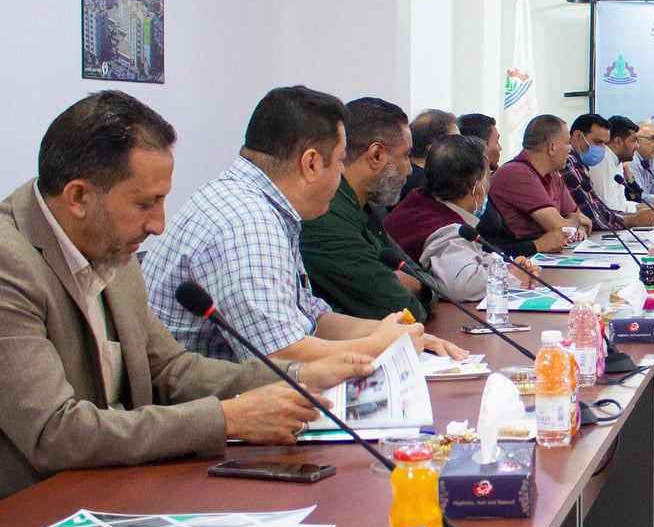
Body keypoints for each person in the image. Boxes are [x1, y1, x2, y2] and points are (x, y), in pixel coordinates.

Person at [0, 92, 373, 498]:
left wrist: (298, 377)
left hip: (114, 485)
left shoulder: (111, 247)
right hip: (22, 516)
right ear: (78, 197)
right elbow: (55, 433)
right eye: (145, 203)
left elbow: (170, 369)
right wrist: (227, 418)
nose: (159, 225)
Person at [143, 86, 462, 364]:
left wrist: (389, 331)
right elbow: (279, 357)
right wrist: (376, 346)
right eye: (339, 161)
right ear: (310, 164)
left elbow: (309, 316)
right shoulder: (247, 223)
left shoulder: (266, 206)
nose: (341, 174)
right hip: (208, 416)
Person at [298, 97, 430, 322]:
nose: (409, 171)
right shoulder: (326, 215)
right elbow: (404, 310)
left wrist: (415, 284)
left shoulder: (366, 209)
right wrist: (412, 286)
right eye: (406, 156)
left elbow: (427, 280)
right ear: (376, 155)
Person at [388, 134, 540, 302]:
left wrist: (505, 266)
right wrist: (512, 277)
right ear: (476, 189)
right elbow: (462, 285)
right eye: (487, 176)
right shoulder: (445, 230)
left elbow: (467, 259)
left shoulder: (421, 200)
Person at [489, 113, 588, 248]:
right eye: (567, 143)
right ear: (552, 147)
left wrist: (580, 227)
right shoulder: (516, 173)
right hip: (521, 258)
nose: (569, 149)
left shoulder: (553, 175)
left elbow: (583, 220)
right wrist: (577, 221)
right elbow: (559, 227)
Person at [596, 115, 654, 229]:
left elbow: (621, 203)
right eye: (633, 141)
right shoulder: (603, 160)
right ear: (618, 142)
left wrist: (648, 209)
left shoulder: (618, 162)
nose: (636, 145)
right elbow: (609, 208)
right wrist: (637, 216)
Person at [401, 108, 458, 201]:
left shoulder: (404, 175)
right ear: (433, 149)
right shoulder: (430, 186)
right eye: (455, 142)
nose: (461, 149)